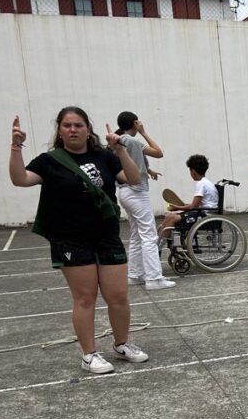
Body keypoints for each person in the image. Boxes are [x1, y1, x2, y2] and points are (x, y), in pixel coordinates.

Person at [9, 107, 150, 374]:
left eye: (78, 125)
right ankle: (89, 354)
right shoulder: (50, 161)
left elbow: (132, 179)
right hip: (71, 239)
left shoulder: (104, 156)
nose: (73, 130)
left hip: (106, 236)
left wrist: (120, 150)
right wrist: (16, 147)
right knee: (85, 297)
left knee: (118, 296)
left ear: (88, 129)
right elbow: (20, 179)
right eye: (67, 125)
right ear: (59, 131)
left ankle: (122, 344)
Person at [114, 111, 174, 290]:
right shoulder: (132, 140)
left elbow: (131, 162)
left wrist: (149, 170)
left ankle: (135, 274)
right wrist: (143, 132)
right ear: (134, 123)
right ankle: (154, 278)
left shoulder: (118, 140)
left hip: (123, 191)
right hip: (137, 192)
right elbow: (158, 152)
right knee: (149, 236)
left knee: (136, 234)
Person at [159, 154, 219, 243]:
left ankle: (159, 247)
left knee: (171, 218)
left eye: (190, 170)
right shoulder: (207, 182)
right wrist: (186, 206)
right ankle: (159, 243)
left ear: (193, 171)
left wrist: (177, 207)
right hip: (205, 213)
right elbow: (195, 205)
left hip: (204, 217)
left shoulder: (201, 184)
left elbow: (192, 207)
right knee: (169, 216)